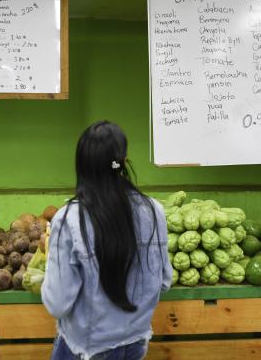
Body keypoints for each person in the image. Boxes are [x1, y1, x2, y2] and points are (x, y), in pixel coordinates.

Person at [41, 120, 173, 360]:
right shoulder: (154, 211)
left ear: (81, 165)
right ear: (122, 161)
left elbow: (57, 303)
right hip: (136, 344)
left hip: (86, 350)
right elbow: (163, 281)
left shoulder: (70, 219)